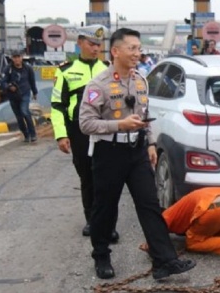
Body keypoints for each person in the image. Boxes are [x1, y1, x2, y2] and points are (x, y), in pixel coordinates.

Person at [79, 28, 195, 280]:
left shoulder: (141, 80)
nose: (137, 53)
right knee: (105, 207)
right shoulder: (98, 85)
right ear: (115, 51)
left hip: (138, 150)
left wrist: (151, 143)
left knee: (150, 204)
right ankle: (101, 255)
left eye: (139, 48)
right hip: (108, 152)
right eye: (132, 48)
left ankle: (164, 260)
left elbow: (145, 117)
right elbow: (85, 124)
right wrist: (119, 125)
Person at [50, 25, 118, 240]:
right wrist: (61, 135)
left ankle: (108, 224)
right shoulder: (65, 70)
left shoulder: (108, 69)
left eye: (98, 44)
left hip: (105, 130)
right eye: (91, 44)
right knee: (87, 177)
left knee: (106, 178)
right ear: (79, 43)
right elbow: (57, 106)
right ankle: (92, 220)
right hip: (79, 131)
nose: (95, 48)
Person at [141, 187, 220, 265]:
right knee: (219, 232)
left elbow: (156, 229)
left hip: (214, 208)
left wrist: (150, 244)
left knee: (192, 242)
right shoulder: (179, 208)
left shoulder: (166, 216)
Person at [1, 50, 38, 142]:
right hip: (13, 96)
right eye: (15, 57)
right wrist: (9, 87)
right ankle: (26, 135)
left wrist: (35, 92)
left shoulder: (28, 68)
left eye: (18, 57)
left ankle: (33, 134)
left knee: (25, 111)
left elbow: (32, 81)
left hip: (25, 94)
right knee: (19, 117)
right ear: (12, 58)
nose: (17, 59)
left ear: (22, 57)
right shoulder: (8, 69)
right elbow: (3, 81)